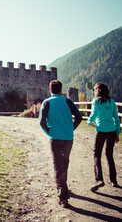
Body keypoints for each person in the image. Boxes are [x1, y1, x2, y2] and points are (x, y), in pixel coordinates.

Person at [39, 80, 82, 208]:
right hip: (69, 137)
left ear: (50, 90)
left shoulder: (46, 102)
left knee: (58, 165)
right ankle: (63, 187)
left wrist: (50, 132)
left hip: (55, 138)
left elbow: (41, 122)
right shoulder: (67, 101)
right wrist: (71, 129)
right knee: (65, 162)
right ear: (61, 90)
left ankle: (63, 198)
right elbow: (79, 117)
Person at [87, 82, 120, 192]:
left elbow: (94, 114)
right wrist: (117, 133)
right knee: (109, 154)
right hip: (112, 130)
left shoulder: (96, 101)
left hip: (101, 130)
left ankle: (99, 179)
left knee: (97, 154)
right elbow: (116, 118)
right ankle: (113, 180)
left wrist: (89, 121)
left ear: (97, 90)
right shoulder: (112, 101)